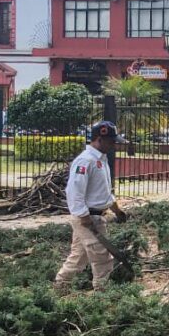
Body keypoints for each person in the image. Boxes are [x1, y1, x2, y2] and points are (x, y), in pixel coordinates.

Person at [55, 121, 129, 291]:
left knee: (78, 257)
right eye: (111, 141)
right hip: (88, 218)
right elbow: (74, 192)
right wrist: (84, 217)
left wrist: (117, 210)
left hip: (97, 216)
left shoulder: (101, 160)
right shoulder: (85, 161)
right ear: (98, 139)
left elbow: (104, 192)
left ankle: (60, 286)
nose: (113, 145)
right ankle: (102, 293)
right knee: (102, 258)